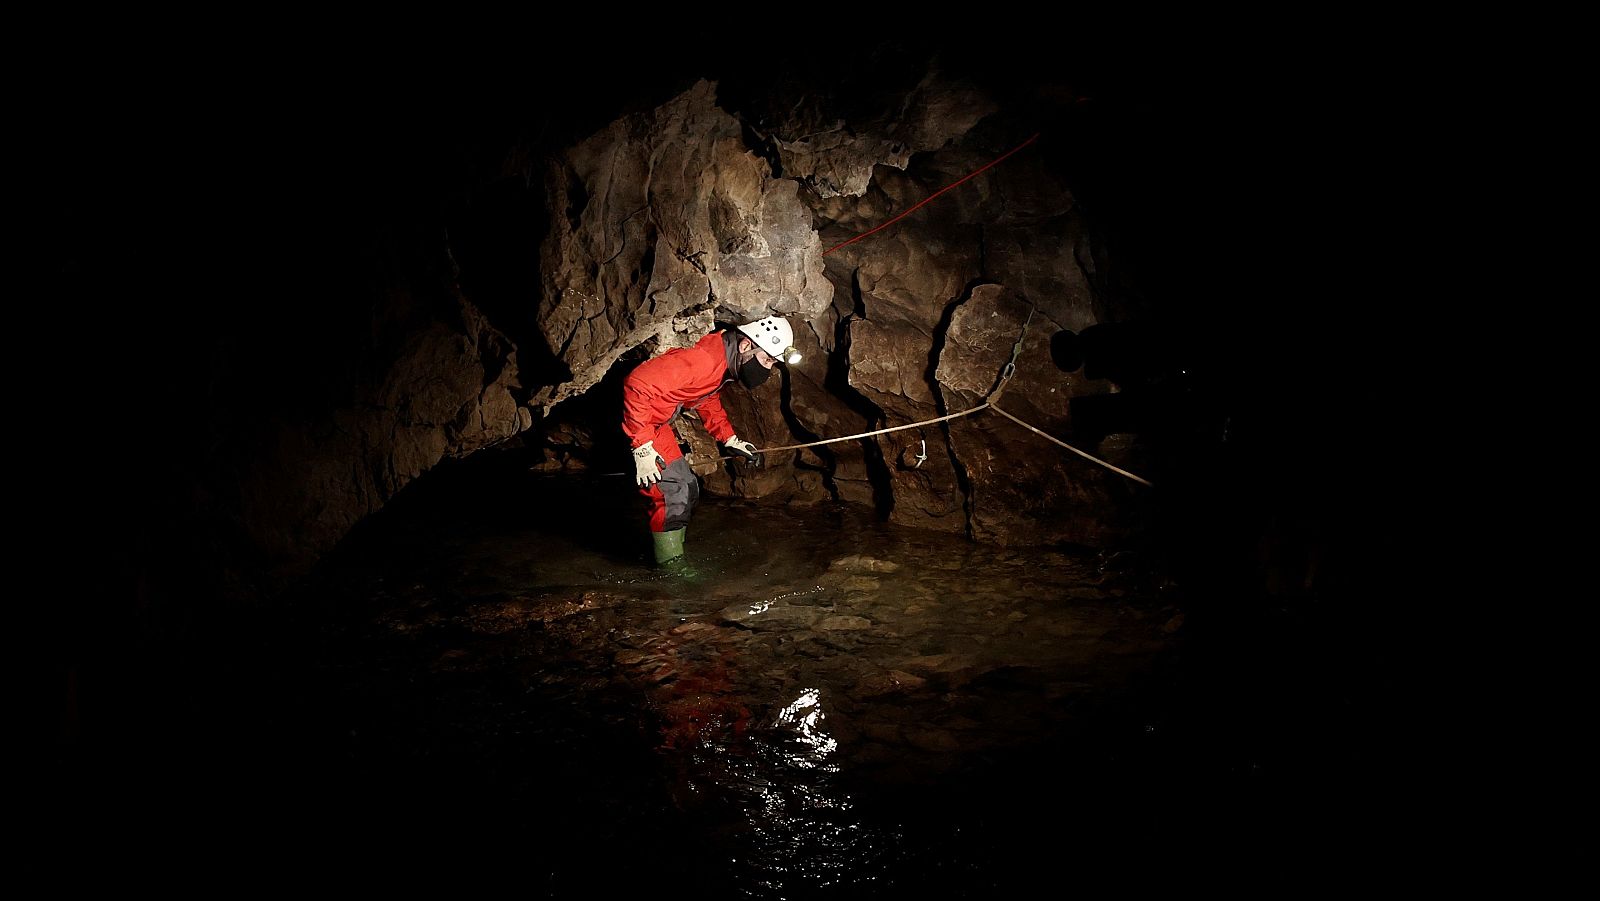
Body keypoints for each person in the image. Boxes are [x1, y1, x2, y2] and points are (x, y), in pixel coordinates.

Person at [622, 316, 799, 565]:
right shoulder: (704, 360)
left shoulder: (722, 363)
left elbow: (703, 397)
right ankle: (671, 572)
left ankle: (668, 550)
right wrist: (641, 446)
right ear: (746, 345)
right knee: (672, 492)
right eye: (768, 360)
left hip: (654, 424)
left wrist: (729, 438)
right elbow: (637, 384)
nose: (767, 369)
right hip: (635, 421)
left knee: (688, 487)